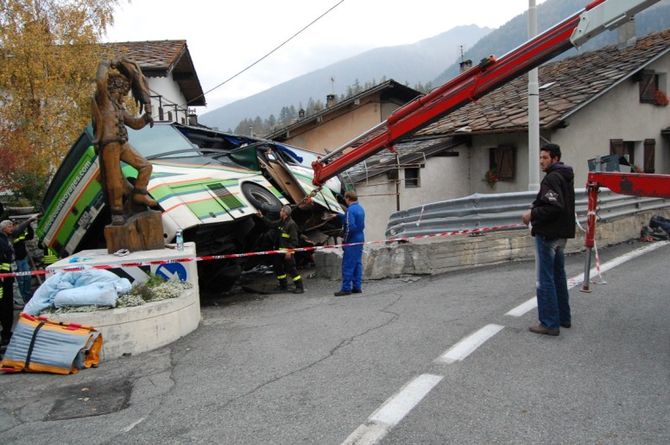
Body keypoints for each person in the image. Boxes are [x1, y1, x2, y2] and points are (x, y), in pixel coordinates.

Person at [91, 59, 157, 225]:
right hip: (109, 144)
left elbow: (134, 124)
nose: (124, 96)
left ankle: (139, 194)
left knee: (145, 166)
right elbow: (100, 80)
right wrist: (105, 64)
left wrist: (145, 118)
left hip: (121, 143)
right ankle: (117, 212)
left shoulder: (120, 108)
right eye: (122, 93)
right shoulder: (103, 102)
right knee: (114, 179)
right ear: (114, 89)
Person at [522, 143, 575, 336]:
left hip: (548, 234)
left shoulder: (551, 178)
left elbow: (555, 206)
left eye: (545, 158)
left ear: (555, 159)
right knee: (559, 276)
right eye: (540, 157)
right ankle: (563, 317)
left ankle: (549, 322)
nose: (541, 161)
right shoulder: (565, 176)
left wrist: (532, 213)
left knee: (545, 279)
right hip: (562, 234)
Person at [258, 205, 304, 294]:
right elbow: (271, 224)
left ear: (285, 213)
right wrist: (262, 217)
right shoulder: (281, 222)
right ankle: (283, 286)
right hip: (278, 251)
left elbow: (294, 240)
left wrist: (289, 251)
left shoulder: (291, 224)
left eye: (281, 211)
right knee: (277, 267)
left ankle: (299, 287)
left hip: (287, 252)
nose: (280, 212)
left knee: (291, 269)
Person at [334, 191, 366, 296]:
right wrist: (337, 216)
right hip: (360, 237)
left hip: (352, 240)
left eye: (345, 199)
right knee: (357, 263)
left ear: (348, 198)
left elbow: (350, 226)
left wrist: (345, 240)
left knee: (347, 264)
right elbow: (353, 221)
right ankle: (357, 287)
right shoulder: (360, 208)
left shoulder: (350, 210)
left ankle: (346, 288)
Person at [11, 216, 38, 303]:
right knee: (21, 280)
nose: (16, 226)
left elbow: (30, 236)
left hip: (23, 259)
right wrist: (28, 220)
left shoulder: (20, 233)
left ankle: (27, 296)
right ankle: (22, 298)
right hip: (17, 260)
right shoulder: (12, 234)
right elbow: (17, 231)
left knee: (27, 278)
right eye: (14, 225)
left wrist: (29, 225)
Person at [0, 220, 16, 350]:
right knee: (4, 307)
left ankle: (6, 333)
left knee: (7, 307)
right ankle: (5, 335)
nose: (12, 228)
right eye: (9, 226)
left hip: (7, 278)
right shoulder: (1, 241)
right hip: (3, 281)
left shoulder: (5, 239)